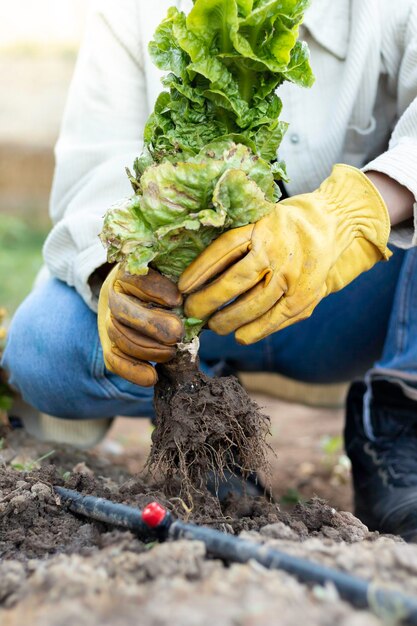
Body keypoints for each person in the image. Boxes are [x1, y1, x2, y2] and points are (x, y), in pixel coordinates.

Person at [2, 0, 417, 539]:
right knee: (45, 351)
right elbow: (95, 167)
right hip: (193, 309)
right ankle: (202, 415)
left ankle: (396, 423)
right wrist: (115, 279)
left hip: (351, 306)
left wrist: (358, 209)